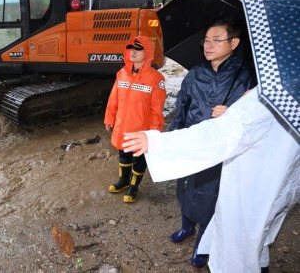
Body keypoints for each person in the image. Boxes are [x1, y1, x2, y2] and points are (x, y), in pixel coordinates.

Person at [121, 88, 300, 273]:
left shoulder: (272, 94)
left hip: (251, 190)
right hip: (281, 186)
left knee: (239, 251)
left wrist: (159, 143)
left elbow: (221, 133)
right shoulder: (291, 91)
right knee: (260, 238)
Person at [167, 18, 254, 269]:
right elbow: (181, 107)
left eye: (217, 40)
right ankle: (187, 227)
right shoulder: (196, 73)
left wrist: (233, 111)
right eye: (206, 40)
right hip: (193, 141)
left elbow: (255, 116)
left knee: (209, 195)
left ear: (234, 43)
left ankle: (202, 246)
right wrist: (174, 138)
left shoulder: (245, 76)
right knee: (184, 187)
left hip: (221, 147)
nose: (209, 45)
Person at [104, 36, 166, 203]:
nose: (133, 51)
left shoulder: (155, 79)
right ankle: (123, 181)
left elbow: (156, 109)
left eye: (138, 49)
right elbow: (113, 98)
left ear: (147, 52)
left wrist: (154, 131)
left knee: (138, 159)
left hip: (141, 129)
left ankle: (134, 187)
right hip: (122, 126)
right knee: (123, 155)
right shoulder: (122, 73)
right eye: (131, 48)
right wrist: (109, 117)